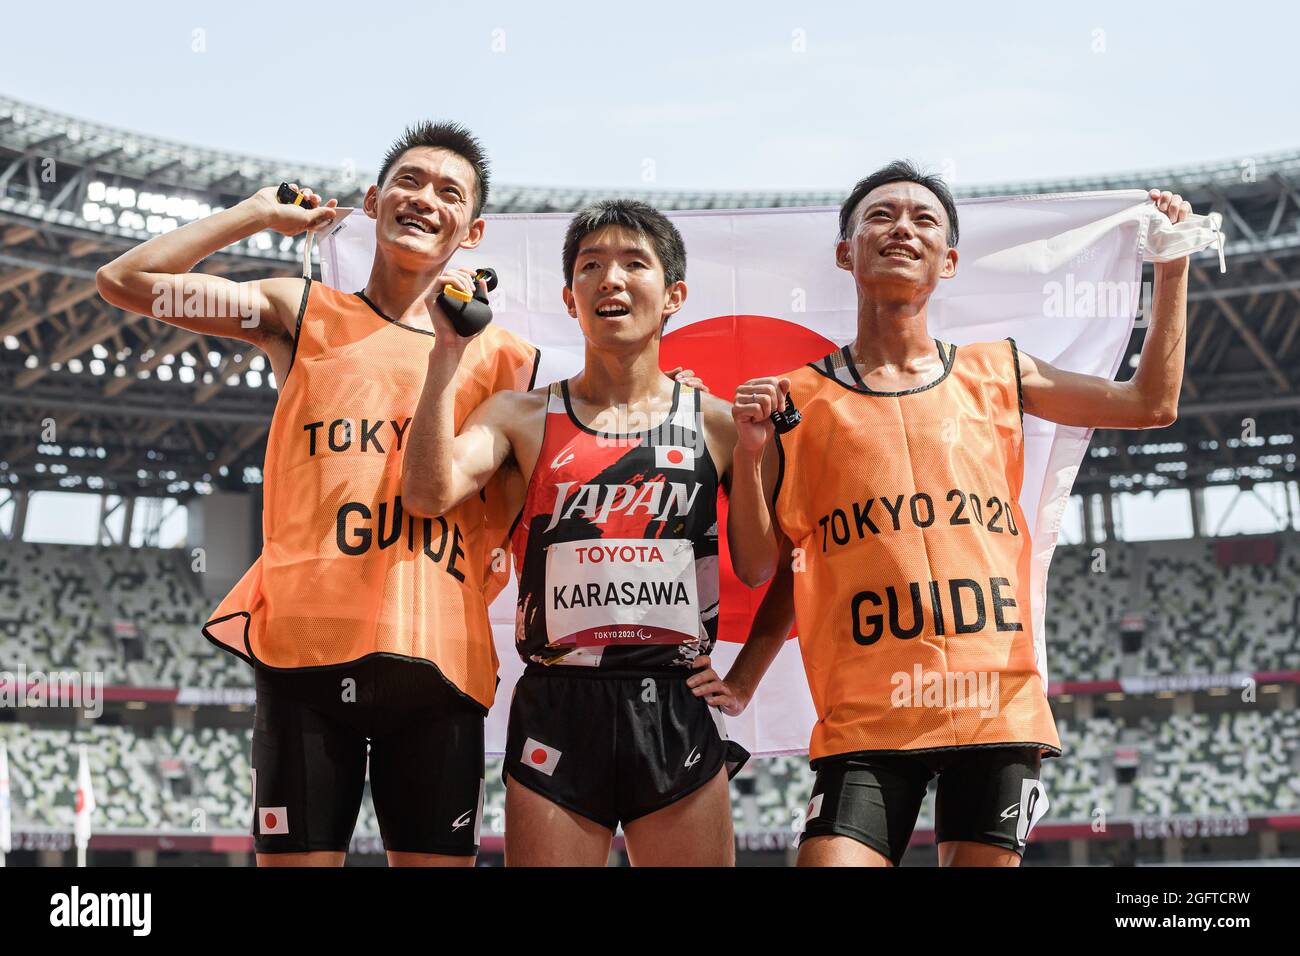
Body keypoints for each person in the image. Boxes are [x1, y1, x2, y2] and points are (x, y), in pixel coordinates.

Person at [97, 122, 543, 866]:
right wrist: (254, 215)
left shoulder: (508, 361)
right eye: (408, 181)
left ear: (473, 230)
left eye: (448, 192)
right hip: (305, 649)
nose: (424, 198)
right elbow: (125, 283)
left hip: (440, 653)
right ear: (371, 201)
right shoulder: (298, 314)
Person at [727, 161, 1193, 867]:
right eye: (880, 216)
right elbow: (773, 564)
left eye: (923, 220)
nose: (901, 228)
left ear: (948, 261)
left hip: (993, 700)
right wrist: (750, 455)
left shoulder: (999, 370)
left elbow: (1150, 404)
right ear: (844, 252)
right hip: (867, 713)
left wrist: (1173, 268)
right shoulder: (795, 399)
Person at [403, 199, 758, 866]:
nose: (611, 280)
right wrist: (446, 356)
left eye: (634, 263)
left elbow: (774, 562)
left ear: (674, 294)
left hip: (674, 701)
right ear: (571, 298)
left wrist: (748, 674)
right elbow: (426, 493)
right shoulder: (519, 415)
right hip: (556, 706)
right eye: (591, 266)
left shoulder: (720, 423)